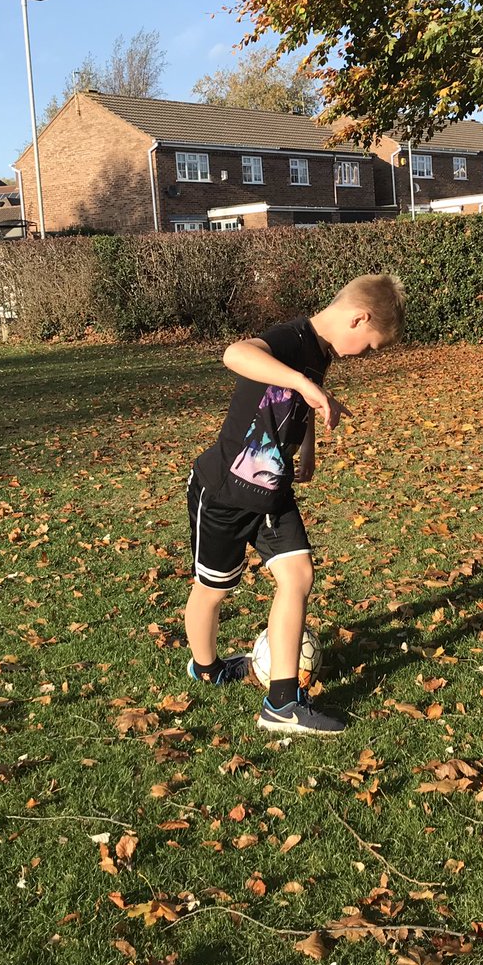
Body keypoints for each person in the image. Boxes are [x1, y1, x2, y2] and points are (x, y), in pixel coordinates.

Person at [184, 273, 406, 735]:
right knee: (214, 591)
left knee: (299, 575)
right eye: (370, 345)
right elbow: (236, 355)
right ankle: (206, 667)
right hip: (224, 493)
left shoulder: (319, 354)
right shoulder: (292, 337)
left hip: (272, 491)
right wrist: (304, 385)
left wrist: (308, 445)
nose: (367, 354)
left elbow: (298, 399)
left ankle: (283, 703)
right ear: (358, 318)